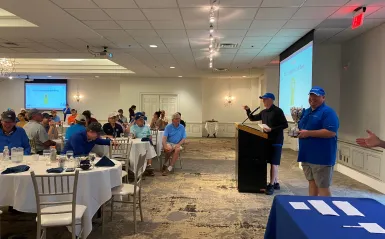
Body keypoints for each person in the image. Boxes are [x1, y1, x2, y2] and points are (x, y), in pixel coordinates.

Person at [297, 87, 339, 197]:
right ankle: (313, 208)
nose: (312, 98)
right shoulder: (306, 112)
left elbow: (331, 132)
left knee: (323, 187)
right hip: (306, 155)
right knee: (311, 183)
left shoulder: (328, 112)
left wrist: (308, 133)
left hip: (321, 157)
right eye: (311, 96)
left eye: (316, 96)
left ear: (323, 98)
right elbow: (302, 128)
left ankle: (328, 211)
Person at [243, 92, 288, 195]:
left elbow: (285, 125)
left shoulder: (278, 111)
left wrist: (272, 129)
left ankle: (271, 185)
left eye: (265, 99)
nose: (263, 101)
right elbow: (252, 118)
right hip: (266, 139)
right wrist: (248, 110)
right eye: (263, 99)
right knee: (272, 162)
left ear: (271, 100)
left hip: (276, 140)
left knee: (274, 163)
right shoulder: (264, 112)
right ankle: (276, 182)